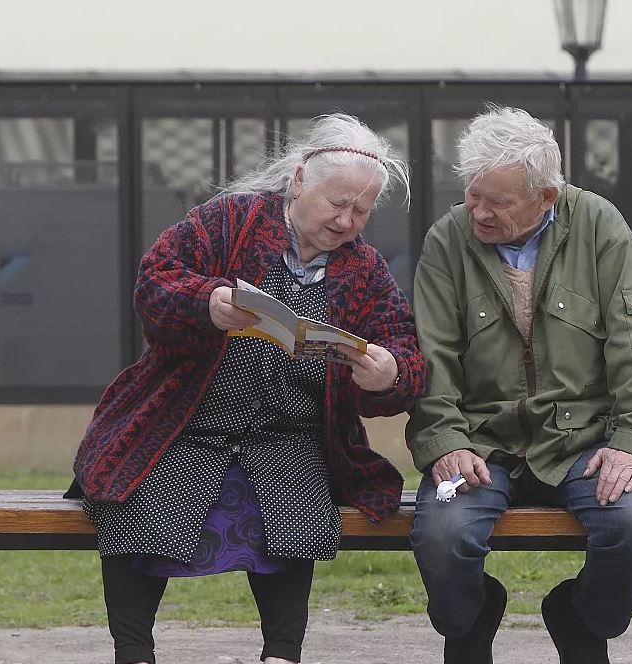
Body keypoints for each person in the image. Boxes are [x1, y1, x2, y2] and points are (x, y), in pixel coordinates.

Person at [66, 113, 426, 664]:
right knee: (135, 489)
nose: (347, 220)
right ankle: (133, 653)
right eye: (338, 202)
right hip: (183, 424)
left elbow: (404, 348)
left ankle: (281, 655)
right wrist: (207, 303)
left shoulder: (365, 270)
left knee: (297, 501)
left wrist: (388, 374)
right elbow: (155, 280)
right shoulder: (229, 221)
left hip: (290, 436)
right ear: (300, 179)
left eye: (361, 210)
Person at [406, 105, 632, 664]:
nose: (478, 212)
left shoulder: (601, 225)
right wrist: (446, 441)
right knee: (441, 537)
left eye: (498, 202)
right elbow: (429, 356)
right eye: (472, 194)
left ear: (547, 197)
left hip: (584, 442)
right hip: (480, 445)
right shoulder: (447, 239)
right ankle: (471, 618)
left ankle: (580, 618)